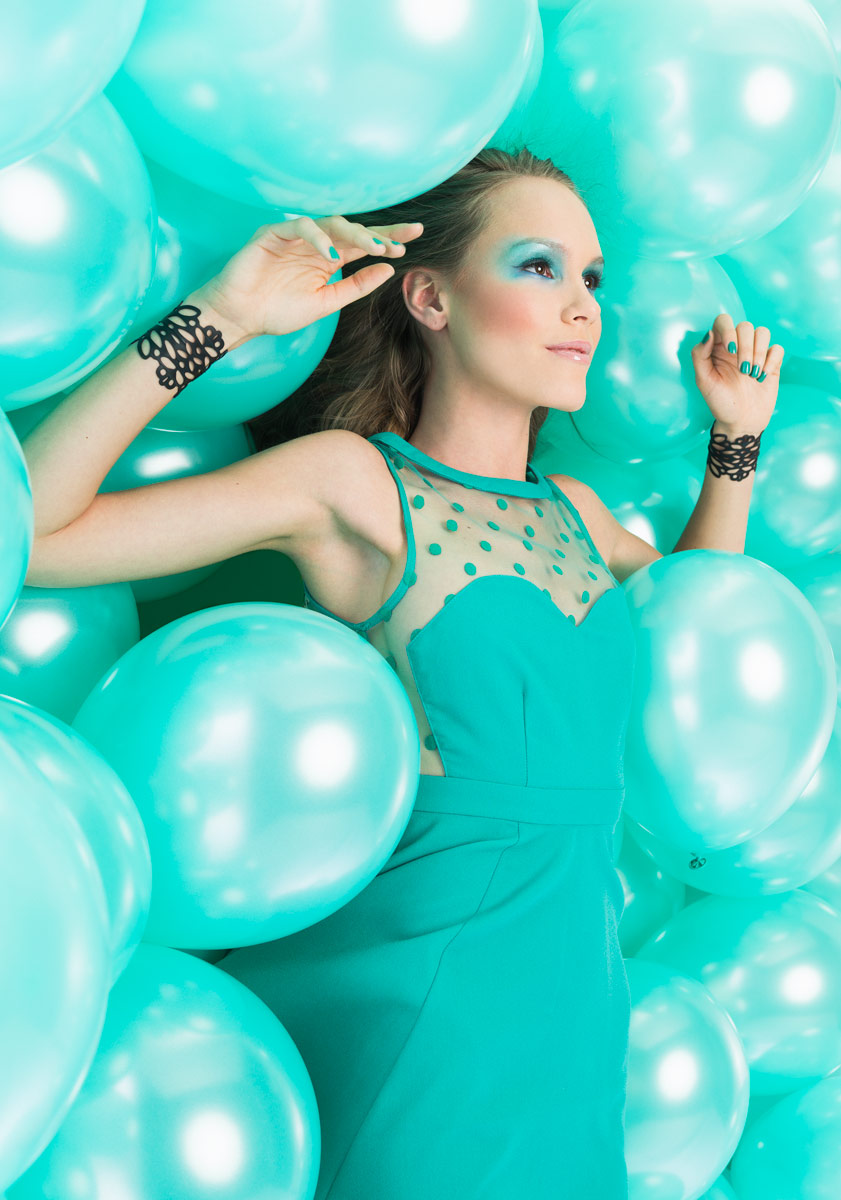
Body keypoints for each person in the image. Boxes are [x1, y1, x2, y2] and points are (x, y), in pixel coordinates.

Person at [21, 146, 638, 1197]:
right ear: (430, 298)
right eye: (539, 267)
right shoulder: (357, 485)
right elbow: (34, 531)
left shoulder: (581, 515)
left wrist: (734, 448)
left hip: (579, 1005)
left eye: (590, 278)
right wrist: (223, 315)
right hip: (433, 1008)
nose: (582, 305)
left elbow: (713, 616)